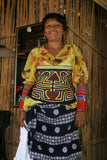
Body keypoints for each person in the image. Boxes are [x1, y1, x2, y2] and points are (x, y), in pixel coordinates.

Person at [19, 13, 88, 160]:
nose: (53, 28)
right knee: (38, 155)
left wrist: (81, 110)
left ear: (64, 30)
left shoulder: (73, 51)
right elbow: (28, 83)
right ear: (44, 32)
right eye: (48, 26)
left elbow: (81, 81)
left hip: (67, 111)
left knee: (67, 154)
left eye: (57, 25)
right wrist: (22, 110)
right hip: (38, 110)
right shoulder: (35, 53)